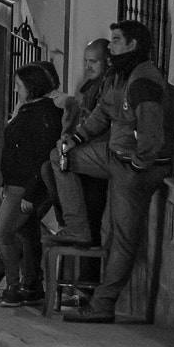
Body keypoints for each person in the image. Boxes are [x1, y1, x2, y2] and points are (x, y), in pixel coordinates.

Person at [61, 20, 174, 324]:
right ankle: (77, 226)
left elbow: (151, 133)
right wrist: (75, 139)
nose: (109, 46)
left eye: (115, 41)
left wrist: (137, 164)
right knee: (59, 159)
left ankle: (103, 304)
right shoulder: (118, 75)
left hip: (131, 166)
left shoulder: (143, 81)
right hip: (112, 155)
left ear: (133, 45)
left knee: (122, 238)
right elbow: (103, 113)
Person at [0, 63, 62, 308]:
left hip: (24, 186)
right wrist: (4, 182)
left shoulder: (45, 114)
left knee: (2, 232)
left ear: (31, 87)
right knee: (22, 233)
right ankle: (26, 284)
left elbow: (42, 157)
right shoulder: (28, 109)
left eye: (19, 86)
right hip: (14, 184)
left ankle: (13, 285)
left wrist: (31, 192)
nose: (16, 90)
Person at [49, 38, 116, 248]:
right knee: (53, 163)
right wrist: (72, 137)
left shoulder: (110, 85)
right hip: (90, 147)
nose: (87, 67)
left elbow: (101, 121)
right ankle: (70, 224)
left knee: (58, 158)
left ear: (108, 61)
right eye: (85, 61)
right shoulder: (91, 85)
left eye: (93, 62)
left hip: (104, 153)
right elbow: (87, 120)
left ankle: (75, 226)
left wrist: (75, 140)